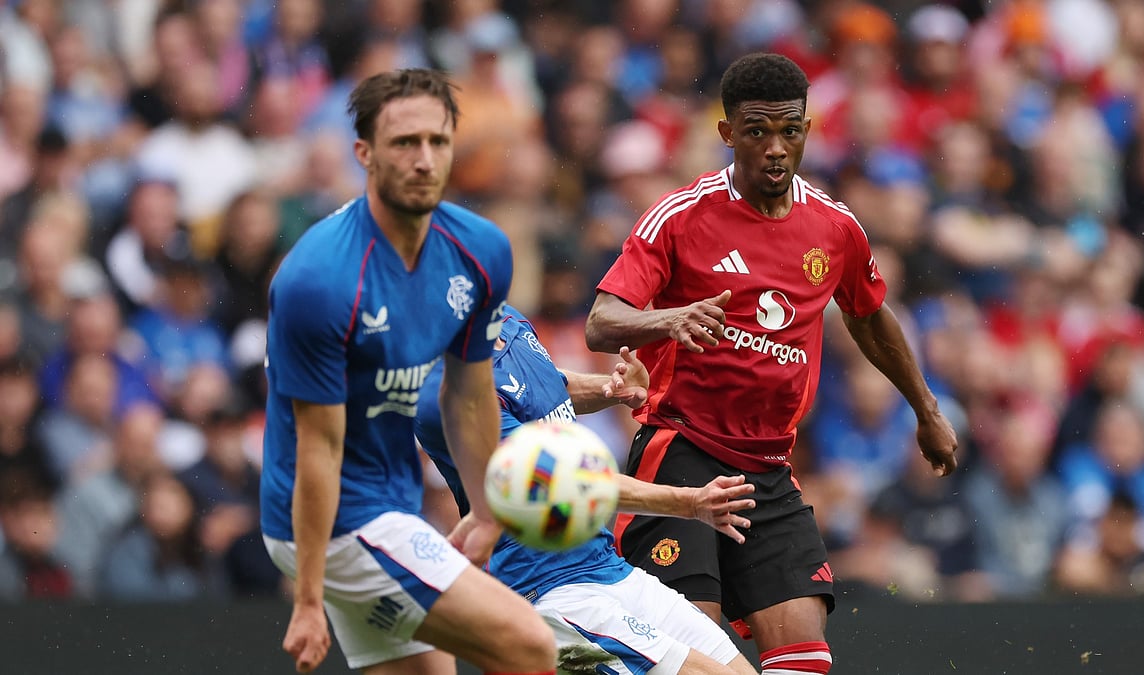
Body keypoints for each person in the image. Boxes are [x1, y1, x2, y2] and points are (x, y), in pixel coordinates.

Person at [585, 52, 959, 674]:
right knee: (694, 658)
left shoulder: (835, 228)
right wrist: (667, 319)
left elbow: (868, 315)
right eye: (758, 132)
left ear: (808, 129)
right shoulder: (681, 216)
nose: (777, 148)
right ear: (728, 134)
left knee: (805, 659)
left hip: (768, 469)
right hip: (682, 453)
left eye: (791, 130)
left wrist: (926, 408)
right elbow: (602, 320)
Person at [259, 68, 556, 675]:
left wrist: (482, 509)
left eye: (437, 142)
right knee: (530, 645)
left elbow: (470, 394)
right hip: (331, 521)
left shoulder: (481, 250)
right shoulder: (318, 279)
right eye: (404, 143)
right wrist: (309, 598)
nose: (424, 160)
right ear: (364, 153)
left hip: (390, 506)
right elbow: (319, 446)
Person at [414, 305, 759, 675]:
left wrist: (614, 388)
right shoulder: (445, 392)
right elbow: (565, 482)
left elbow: (549, 383)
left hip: (605, 565)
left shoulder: (508, 320)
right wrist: (691, 502)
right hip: (548, 591)